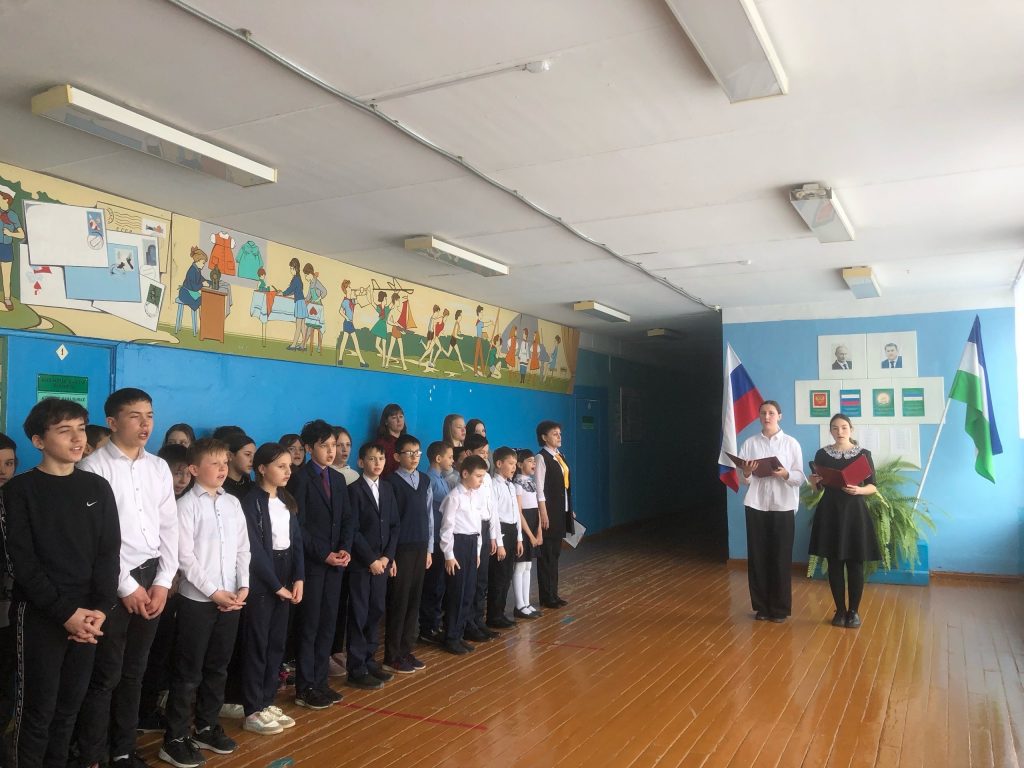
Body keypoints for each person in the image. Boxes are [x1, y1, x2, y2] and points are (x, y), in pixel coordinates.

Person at [3, 400, 119, 768]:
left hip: (89, 618)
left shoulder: (98, 487)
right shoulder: (19, 491)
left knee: (70, 708)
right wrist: (66, 613)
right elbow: (22, 563)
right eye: (64, 430)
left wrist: (99, 609)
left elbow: (108, 554)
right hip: (41, 615)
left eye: (81, 429)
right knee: (37, 710)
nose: (77, 438)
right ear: (39, 441)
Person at [77, 388, 178, 768]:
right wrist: (126, 585)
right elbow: (93, 539)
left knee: (135, 672)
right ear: (113, 422)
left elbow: (169, 526)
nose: (145, 423)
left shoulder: (158, 467)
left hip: (152, 577)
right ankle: (92, 754)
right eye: (135, 416)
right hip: (111, 580)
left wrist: (163, 581)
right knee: (105, 674)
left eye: (149, 415)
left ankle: (122, 750)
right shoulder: (93, 468)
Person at [159, 439, 249, 768]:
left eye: (225, 462)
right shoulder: (186, 506)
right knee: (188, 672)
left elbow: (243, 548)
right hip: (197, 601)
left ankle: (206, 727)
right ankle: (175, 738)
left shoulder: (232, 503)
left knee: (218, 666)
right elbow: (185, 558)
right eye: (215, 463)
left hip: (231, 600)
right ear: (194, 469)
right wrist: (213, 592)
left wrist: (243, 585)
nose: (223, 468)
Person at [240, 443, 304, 736]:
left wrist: (298, 578)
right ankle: (252, 708)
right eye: (281, 466)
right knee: (258, 643)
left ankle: (267, 701)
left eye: (289, 466)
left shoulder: (287, 500)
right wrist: (276, 585)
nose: (288, 471)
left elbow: (296, 541)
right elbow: (254, 549)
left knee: (276, 642)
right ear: (262, 469)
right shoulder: (251, 501)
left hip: (286, 570)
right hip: (263, 578)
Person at [292, 420, 352, 710]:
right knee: (310, 626)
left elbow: (348, 519)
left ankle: (320, 682)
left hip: (335, 564)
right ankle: (305, 687)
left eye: (334, 446)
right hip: (313, 565)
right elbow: (298, 526)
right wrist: (323, 553)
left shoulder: (338, 479)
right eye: (324, 446)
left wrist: (345, 548)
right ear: (308, 447)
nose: (331, 451)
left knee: (328, 623)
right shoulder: (300, 479)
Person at [135, 445, 190, 735]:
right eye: (176, 472)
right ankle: (140, 712)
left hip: (175, 589)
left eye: (186, 473)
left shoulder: (189, 502)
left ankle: (150, 708)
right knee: (144, 656)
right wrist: (164, 581)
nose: (182, 479)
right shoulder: (150, 504)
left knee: (163, 653)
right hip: (151, 587)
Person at [808, 414, 881, 629]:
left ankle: (854, 612)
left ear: (851, 429)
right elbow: (818, 488)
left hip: (854, 512)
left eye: (843, 427)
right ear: (830, 430)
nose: (839, 432)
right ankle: (840, 610)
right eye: (835, 428)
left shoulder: (863, 454)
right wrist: (813, 482)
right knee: (834, 563)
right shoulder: (822, 454)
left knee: (855, 563)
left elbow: (873, 486)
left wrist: (859, 490)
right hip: (830, 511)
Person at [737, 401, 805, 623]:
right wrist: (747, 472)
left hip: (783, 505)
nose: (767, 417)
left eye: (771, 413)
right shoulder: (750, 443)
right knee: (757, 556)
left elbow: (799, 478)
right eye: (763, 413)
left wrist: (785, 474)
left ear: (780, 416)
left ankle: (780, 608)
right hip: (756, 504)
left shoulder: (791, 443)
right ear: (759, 416)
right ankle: (761, 607)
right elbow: (743, 479)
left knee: (780, 557)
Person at [345, 443, 399, 690]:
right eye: (372, 459)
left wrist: (387, 557)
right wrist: (371, 560)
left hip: (382, 564)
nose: (378, 463)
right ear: (361, 462)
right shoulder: (354, 490)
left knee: (376, 611)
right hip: (362, 565)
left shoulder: (387, 488)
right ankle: (356, 668)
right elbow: (353, 530)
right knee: (359, 614)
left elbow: (394, 526)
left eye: (381, 458)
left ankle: (369, 660)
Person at [381, 435, 432, 674]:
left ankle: (405, 649)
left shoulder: (424, 479)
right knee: (398, 602)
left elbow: (429, 516)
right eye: (409, 453)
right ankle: (392, 655)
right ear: (396, 456)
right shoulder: (390, 482)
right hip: (400, 549)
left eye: (417, 453)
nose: (414, 457)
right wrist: (390, 555)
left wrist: (430, 548)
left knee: (414, 601)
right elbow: (389, 521)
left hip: (421, 547)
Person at [438, 455, 489, 655]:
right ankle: (451, 637)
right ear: (465, 474)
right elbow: (446, 529)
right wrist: (449, 555)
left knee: (468, 591)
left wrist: (477, 551)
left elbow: (477, 526)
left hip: (472, 544)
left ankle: (459, 635)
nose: (481, 480)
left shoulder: (475, 496)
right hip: (458, 545)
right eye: (478, 476)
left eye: (483, 476)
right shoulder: (454, 497)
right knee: (457, 593)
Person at [462, 434, 500, 642]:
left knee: (482, 580)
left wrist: (494, 536)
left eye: (487, 453)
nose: (485, 456)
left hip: (485, 528)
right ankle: (468, 623)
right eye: (481, 453)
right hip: (471, 529)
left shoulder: (487, 478)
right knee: (471, 580)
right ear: (469, 453)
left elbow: (492, 508)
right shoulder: (468, 481)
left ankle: (479, 621)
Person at [535, 420, 572, 609]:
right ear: (544, 437)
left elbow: (564, 487)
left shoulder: (560, 456)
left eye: (560, 433)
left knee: (555, 554)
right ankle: (546, 596)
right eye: (554, 434)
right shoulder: (541, 458)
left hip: (560, 511)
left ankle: (554, 594)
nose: (559, 436)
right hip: (549, 512)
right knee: (547, 555)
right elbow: (539, 488)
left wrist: (569, 508)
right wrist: (543, 513)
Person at [419, 441, 452, 646]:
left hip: (442, 537)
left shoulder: (442, 480)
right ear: (438, 459)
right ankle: (427, 627)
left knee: (439, 585)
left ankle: (434, 624)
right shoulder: (430, 480)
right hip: (434, 539)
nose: (452, 460)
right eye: (449, 457)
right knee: (432, 585)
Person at [486, 447, 523, 629]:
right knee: (498, 577)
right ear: (499, 463)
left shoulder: (511, 485)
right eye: (510, 463)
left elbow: (517, 514)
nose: (514, 467)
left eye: (515, 464)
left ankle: (500, 613)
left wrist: (519, 538)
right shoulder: (494, 485)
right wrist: (499, 543)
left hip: (512, 532)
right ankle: (493, 616)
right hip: (501, 532)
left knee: (507, 575)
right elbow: (494, 516)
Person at [0, 432, 17, 762]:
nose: (3, 471)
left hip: (11, 607)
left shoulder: (18, 499)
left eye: (10, 463)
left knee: (6, 679)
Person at [512, 450, 542, 619]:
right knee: (520, 566)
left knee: (528, 566)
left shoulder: (531, 482)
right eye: (530, 461)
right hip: (523, 528)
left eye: (533, 461)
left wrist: (539, 531)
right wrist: (530, 535)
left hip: (533, 525)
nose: (533, 464)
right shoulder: (517, 483)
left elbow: (537, 508)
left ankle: (527, 602)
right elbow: (519, 512)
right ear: (519, 464)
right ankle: (519, 605)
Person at [375, 403, 406, 478]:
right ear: (386, 422)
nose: (399, 420)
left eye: (401, 416)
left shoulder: (407, 442)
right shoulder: (381, 444)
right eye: (394, 417)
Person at [222, 433, 256, 500]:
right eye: (247, 454)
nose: (252, 460)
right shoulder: (220, 488)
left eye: (254, 455)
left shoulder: (252, 487)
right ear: (229, 455)